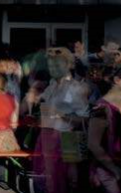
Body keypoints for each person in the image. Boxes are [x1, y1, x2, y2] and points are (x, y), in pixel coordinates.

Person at [36, 48, 90, 193]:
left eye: (57, 65)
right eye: (50, 65)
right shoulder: (51, 85)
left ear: (68, 65)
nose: (53, 69)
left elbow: (85, 118)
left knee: (72, 178)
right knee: (51, 175)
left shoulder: (76, 88)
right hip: (49, 134)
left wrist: (61, 115)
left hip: (70, 135)